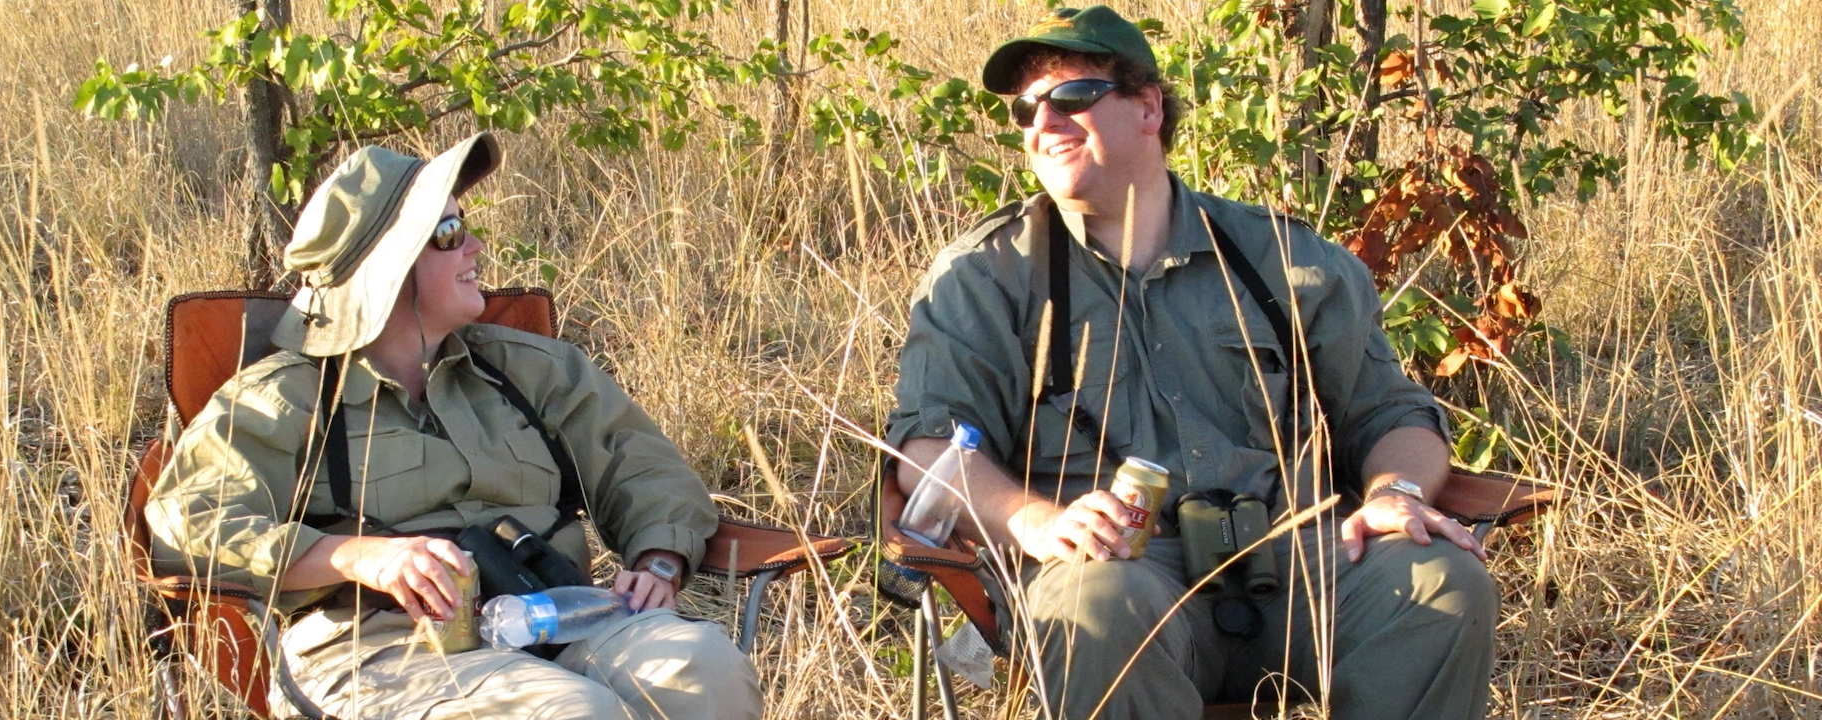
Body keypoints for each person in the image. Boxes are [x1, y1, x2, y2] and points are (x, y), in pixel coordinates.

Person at [885, 7, 1498, 719]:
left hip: (1298, 563)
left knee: (1443, 581)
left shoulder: (1285, 260)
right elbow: (929, 448)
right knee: (1098, 601)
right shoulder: (985, 276)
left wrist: (1401, 493)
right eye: (1025, 109)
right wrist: (1035, 522)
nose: (1042, 123)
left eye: (1072, 97)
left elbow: (1391, 412)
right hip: (1124, 571)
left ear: (1148, 108)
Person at [147, 133, 761, 720]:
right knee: (573, 712)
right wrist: (357, 557)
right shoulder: (280, 400)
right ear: (385, 269)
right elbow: (188, 525)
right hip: (379, 646)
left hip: (550, 611)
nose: (475, 248)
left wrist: (659, 558)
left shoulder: (529, 370)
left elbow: (643, 465)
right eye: (448, 233)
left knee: (700, 666)